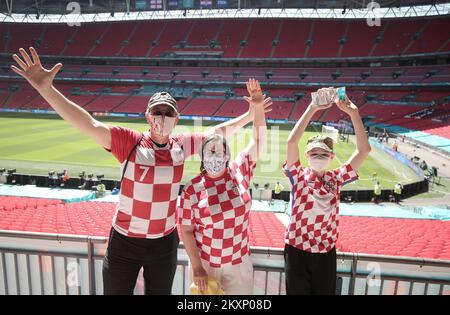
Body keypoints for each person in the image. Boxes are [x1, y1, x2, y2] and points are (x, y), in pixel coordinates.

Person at [11, 48, 272, 295]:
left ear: (176, 119)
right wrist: (47, 89)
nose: (162, 117)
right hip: (125, 241)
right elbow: (88, 124)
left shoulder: (181, 145)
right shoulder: (129, 141)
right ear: (147, 116)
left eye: (168, 113)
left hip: (163, 243)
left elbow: (218, 133)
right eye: (157, 112)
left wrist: (251, 115)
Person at [178, 79, 269, 295]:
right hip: (206, 266)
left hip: (239, 264)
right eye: (210, 151)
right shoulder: (191, 189)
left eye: (220, 151)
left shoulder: (240, 169)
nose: (215, 155)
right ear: (201, 156)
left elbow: (259, 140)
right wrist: (198, 268)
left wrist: (257, 108)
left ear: (227, 154)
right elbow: (186, 230)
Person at [284, 87, 371, 295]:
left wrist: (354, 113)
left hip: (325, 252)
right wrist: (312, 108)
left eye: (323, 153)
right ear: (306, 155)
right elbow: (291, 142)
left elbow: (364, 150)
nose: (318, 156)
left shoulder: (337, 177)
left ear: (332, 157)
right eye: (314, 152)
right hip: (297, 250)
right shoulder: (298, 174)